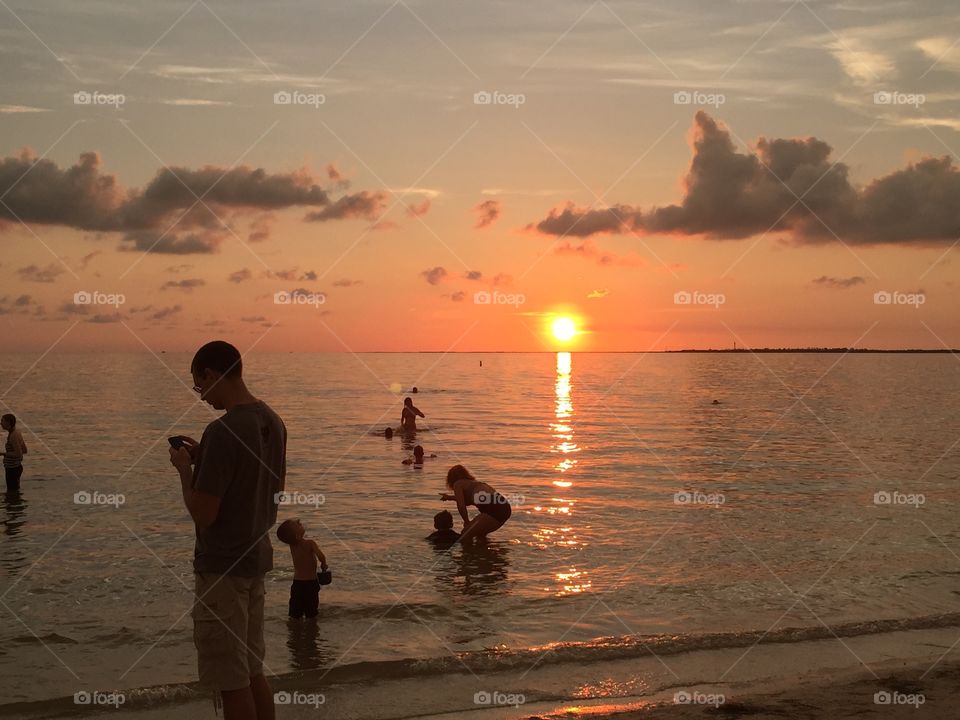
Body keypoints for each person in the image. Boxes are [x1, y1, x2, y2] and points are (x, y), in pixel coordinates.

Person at [168, 340, 286, 720]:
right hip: (255, 559)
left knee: (230, 681)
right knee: (252, 671)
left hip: (222, 569)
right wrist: (208, 458)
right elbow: (262, 486)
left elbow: (204, 513)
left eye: (198, 385)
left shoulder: (222, 431)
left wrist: (185, 472)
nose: (200, 396)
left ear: (211, 374)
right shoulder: (272, 421)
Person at [440, 465, 511, 544]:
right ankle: (485, 554)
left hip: (494, 509)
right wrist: (449, 497)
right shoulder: (474, 484)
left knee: (465, 534)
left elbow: (461, 505)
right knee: (479, 534)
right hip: (505, 508)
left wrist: (466, 521)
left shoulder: (458, 484)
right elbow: (467, 500)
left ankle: (469, 556)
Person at [276, 519, 328, 620]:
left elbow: (289, 538)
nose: (299, 522)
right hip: (311, 583)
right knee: (311, 611)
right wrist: (324, 563)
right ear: (296, 534)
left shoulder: (292, 546)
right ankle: (311, 630)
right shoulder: (310, 543)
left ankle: (295, 630)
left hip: (297, 584)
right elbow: (321, 556)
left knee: (295, 611)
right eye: (297, 524)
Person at [1, 414, 27, 493]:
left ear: (8, 422)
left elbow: (18, 454)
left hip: (13, 469)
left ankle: (14, 504)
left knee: (12, 492)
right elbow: (24, 450)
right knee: (14, 492)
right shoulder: (16, 432)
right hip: (15, 467)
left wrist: (3, 454)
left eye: (2, 421)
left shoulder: (13, 435)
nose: (1, 423)